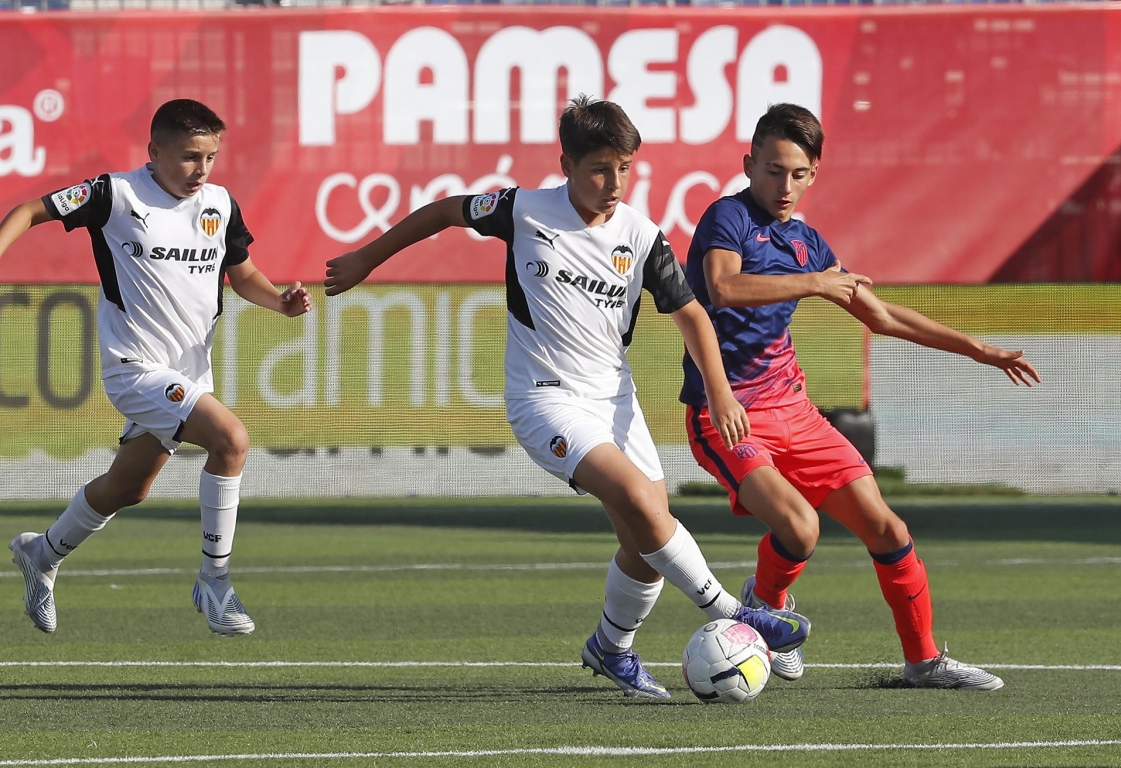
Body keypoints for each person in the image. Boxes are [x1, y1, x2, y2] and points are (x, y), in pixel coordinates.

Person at [325, 95, 811, 699]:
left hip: (616, 401)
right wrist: (366, 259)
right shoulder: (523, 209)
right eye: (600, 169)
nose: (614, 183)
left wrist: (720, 390)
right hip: (545, 399)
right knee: (640, 500)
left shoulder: (641, 235)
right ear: (567, 164)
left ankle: (611, 648)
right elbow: (444, 211)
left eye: (625, 168)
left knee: (643, 540)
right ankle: (733, 614)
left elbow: (691, 313)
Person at [681, 103, 1041, 690]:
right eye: (773, 170)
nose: (785, 185)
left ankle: (923, 662)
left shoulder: (808, 243)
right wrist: (817, 282)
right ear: (749, 166)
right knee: (800, 529)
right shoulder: (728, 218)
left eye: (798, 174)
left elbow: (880, 316)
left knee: (889, 531)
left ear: (814, 174)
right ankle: (768, 610)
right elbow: (721, 288)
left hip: (795, 411)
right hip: (729, 414)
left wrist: (976, 348)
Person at [3, 99, 312, 637]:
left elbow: (242, 275)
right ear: (155, 151)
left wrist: (279, 302)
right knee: (231, 440)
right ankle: (215, 582)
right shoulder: (115, 195)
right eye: (190, 157)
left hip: (188, 375)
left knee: (128, 488)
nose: (202, 170)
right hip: (135, 369)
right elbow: (30, 210)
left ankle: (42, 553)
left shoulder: (218, 204)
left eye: (211, 157)